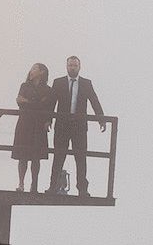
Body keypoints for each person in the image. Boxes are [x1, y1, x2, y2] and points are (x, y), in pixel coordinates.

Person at [47, 55, 108, 196]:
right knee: (58, 156)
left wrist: (101, 119)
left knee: (80, 157)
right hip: (62, 125)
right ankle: (53, 186)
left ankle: (82, 188)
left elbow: (94, 101)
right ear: (66, 66)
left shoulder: (86, 83)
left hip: (79, 127)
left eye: (75, 65)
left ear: (79, 67)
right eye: (70, 65)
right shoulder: (58, 82)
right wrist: (48, 119)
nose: (72, 68)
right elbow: (51, 103)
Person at [10, 63, 52, 191]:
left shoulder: (47, 89)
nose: (31, 71)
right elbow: (19, 101)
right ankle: (21, 184)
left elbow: (47, 106)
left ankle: (34, 185)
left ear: (42, 72)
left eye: (34, 69)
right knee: (22, 156)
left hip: (38, 125)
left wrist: (27, 102)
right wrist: (36, 103)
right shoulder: (24, 86)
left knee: (36, 157)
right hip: (24, 123)